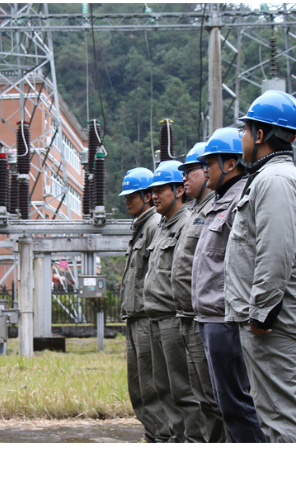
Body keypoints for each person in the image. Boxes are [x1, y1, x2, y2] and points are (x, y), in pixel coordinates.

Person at [225, 90, 296, 443]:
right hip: (268, 321)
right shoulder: (268, 177)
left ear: (261, 136)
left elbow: (275, 253)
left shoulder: (275, 180)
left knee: (281, 417)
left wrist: (261, 313)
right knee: (271, 415)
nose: (243, 137)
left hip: (271, 324)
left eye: (246, 130)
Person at [192, 128, 266, 443]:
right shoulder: (218, 204)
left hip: (225, 318)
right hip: (208, 316)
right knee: (225, 403)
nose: (204, 168)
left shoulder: (242, 202)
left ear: (231, 163)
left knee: (237, 402)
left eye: (210, 161)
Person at [144, 160, 205, 442]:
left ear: (179, 190)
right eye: (152, 191)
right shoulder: (162, 227)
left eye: (160, 190)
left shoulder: (187, 225)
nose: (153, 196)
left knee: (184, 390)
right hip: (155, 318)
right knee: (163, 387)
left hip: (173, 317)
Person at [171, 142, 227, 443]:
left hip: (206, 317)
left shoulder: (217, 210)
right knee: (201, 396)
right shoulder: (197, 213)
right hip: (189, 318)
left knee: (215, 397)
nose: (185, 179)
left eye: (189, 171)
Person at [118, 167, 169, 442]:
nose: (127, 201)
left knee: (151, 388)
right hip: (135, 319)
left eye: (132, 196)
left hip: (147, 320)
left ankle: (161, 436)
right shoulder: (141, 226)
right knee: (138, 389)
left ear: (148, 196)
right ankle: (154, 435)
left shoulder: (151, 227)